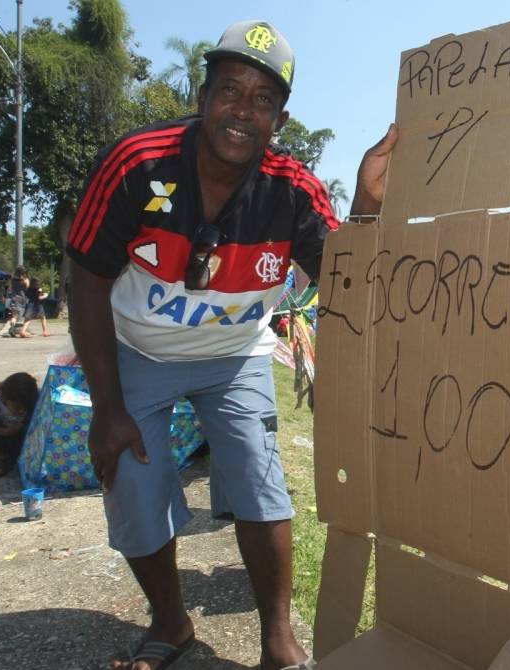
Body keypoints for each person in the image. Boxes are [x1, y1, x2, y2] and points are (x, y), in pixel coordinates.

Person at [66, 20, 395, 670]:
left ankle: (278, 641)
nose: (243, 111)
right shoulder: (137, 163)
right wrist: (107, 408)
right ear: (202, 93)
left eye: (263, 100)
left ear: (279, 118)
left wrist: (366, 206)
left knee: (256, 476)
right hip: (142, 352)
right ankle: (171, 622)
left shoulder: (293, 191)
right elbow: (85, 278)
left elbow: (349, 281)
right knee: (133, 481)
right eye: (230, 91)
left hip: (236, 356)